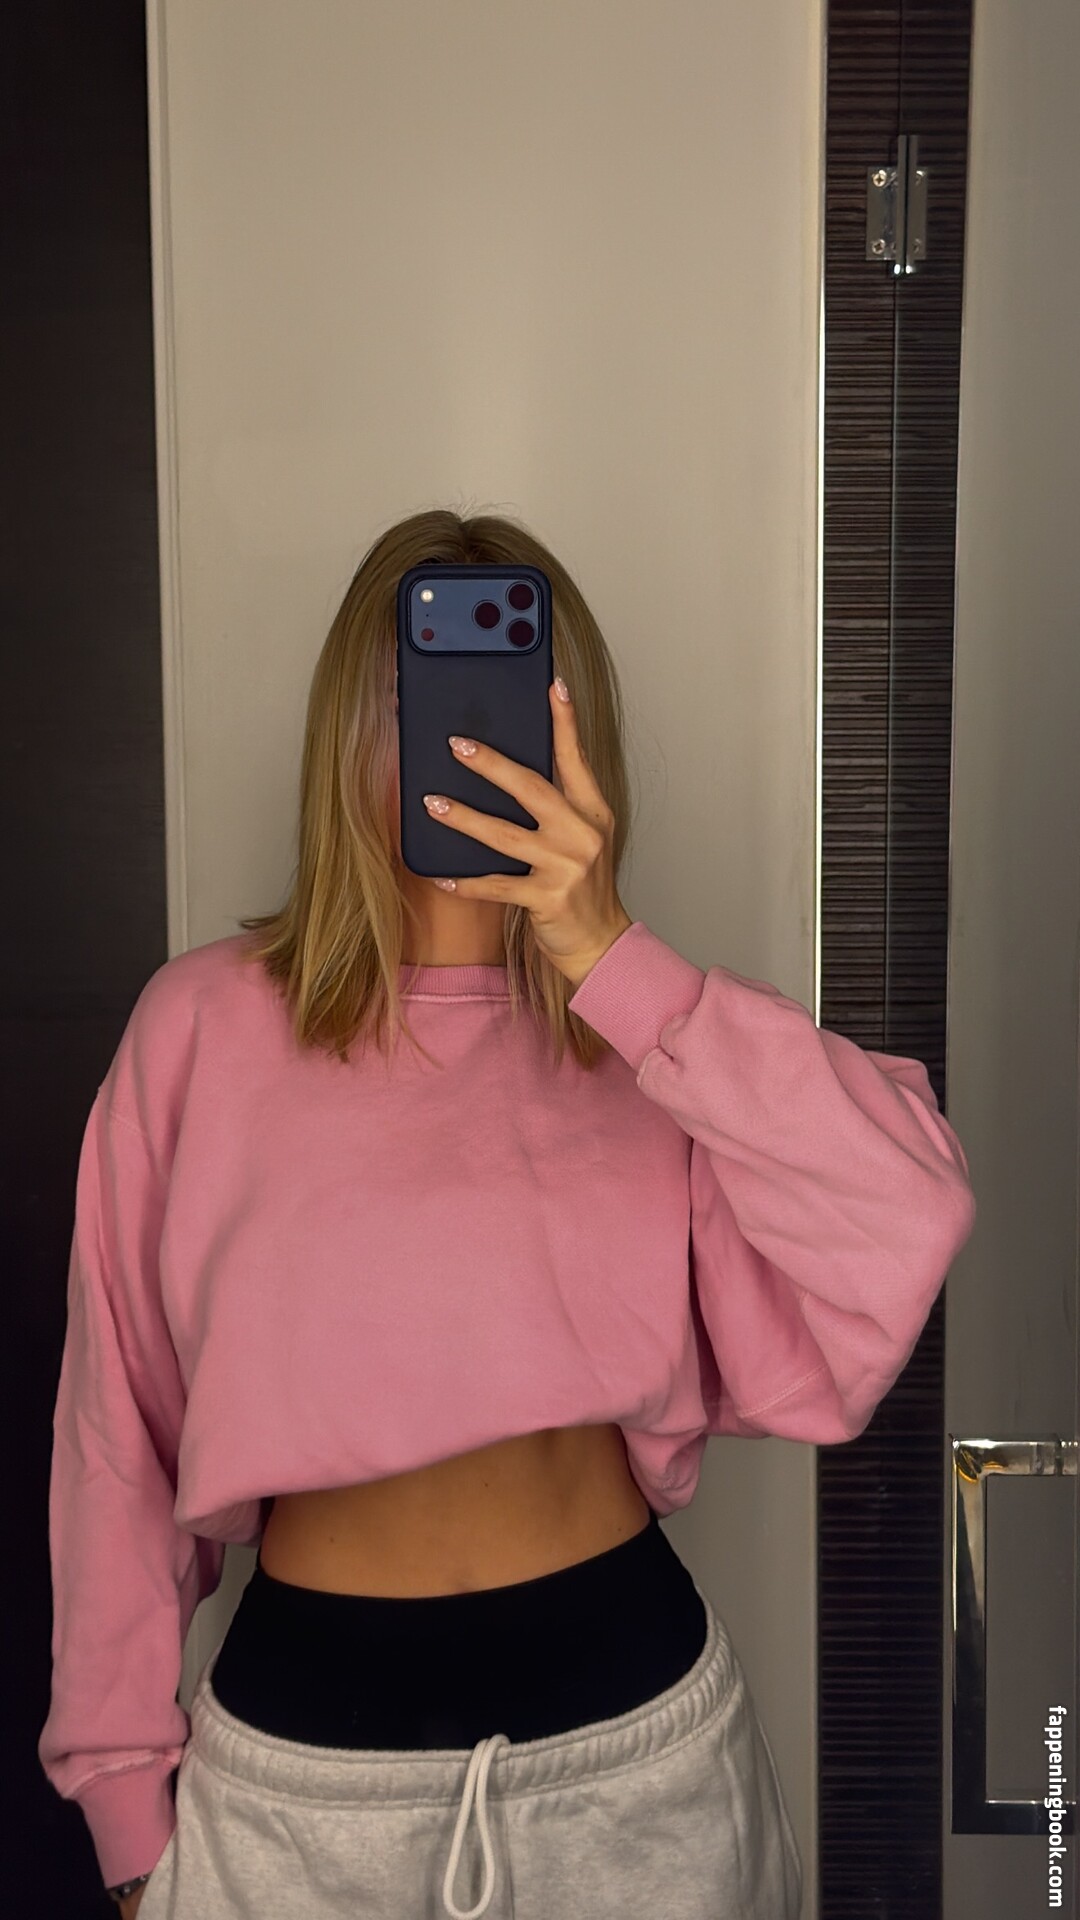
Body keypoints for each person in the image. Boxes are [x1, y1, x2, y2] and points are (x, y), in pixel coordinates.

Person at [38, 508, 977, 1918]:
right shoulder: (198, 1030)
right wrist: (125, 1807)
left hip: (637, 1763)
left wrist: (607, 954)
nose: (469, 747)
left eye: (513, 705)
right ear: (347, 733)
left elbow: (906, 1208)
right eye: (419, 700)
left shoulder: (658, 1036)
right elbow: (115, 1431)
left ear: (576, 738)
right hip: (297, 1789)